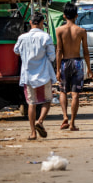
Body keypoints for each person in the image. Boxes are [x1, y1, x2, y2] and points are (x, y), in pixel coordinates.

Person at [14, 11, 56, 140]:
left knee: (31, 103)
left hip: (28, 75)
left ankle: (32, 132)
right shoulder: (46, 37)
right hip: (44, 74)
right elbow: (52, 56)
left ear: (31, 23)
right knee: (47, 101)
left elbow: (16, 51)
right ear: (42, 23)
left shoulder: (22, 37)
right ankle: (40, 121)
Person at [55, 2, 93, 131]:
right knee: (75, 94)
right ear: (76, 16)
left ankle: (65, 116)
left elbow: (59, 51)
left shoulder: (59, 30)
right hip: (77, 63)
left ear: (64, 16)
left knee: (63, 91)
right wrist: (89, 68)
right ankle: (72, 123)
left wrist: (57, 70)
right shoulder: (81, 31)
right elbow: (86, 51)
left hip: (65, 62)